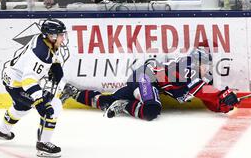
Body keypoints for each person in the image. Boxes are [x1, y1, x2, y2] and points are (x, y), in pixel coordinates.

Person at [60, 47, 239, 121]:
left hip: (142, 79)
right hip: (146, 78)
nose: (208, 69)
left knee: (108, 101)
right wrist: (222, 95)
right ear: (199, 61)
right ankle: (125, 106)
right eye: (206, 64)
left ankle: (73, 92)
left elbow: (205, 98)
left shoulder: (190, 72)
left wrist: (223, 105)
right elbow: (203, 91)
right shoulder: (188, 66)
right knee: (151, 110)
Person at [0, 18, 69, 158]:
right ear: (52, 36)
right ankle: (43, 145)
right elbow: (28, 81)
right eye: (61, 34)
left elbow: (50, 54)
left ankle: (1, 131)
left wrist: (55, 64)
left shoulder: (43, 40)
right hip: (18, 85)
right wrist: (40, 100)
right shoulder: (41, 53)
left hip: (11, 78)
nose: (63, 37)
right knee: (53, 106)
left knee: (21, 108)